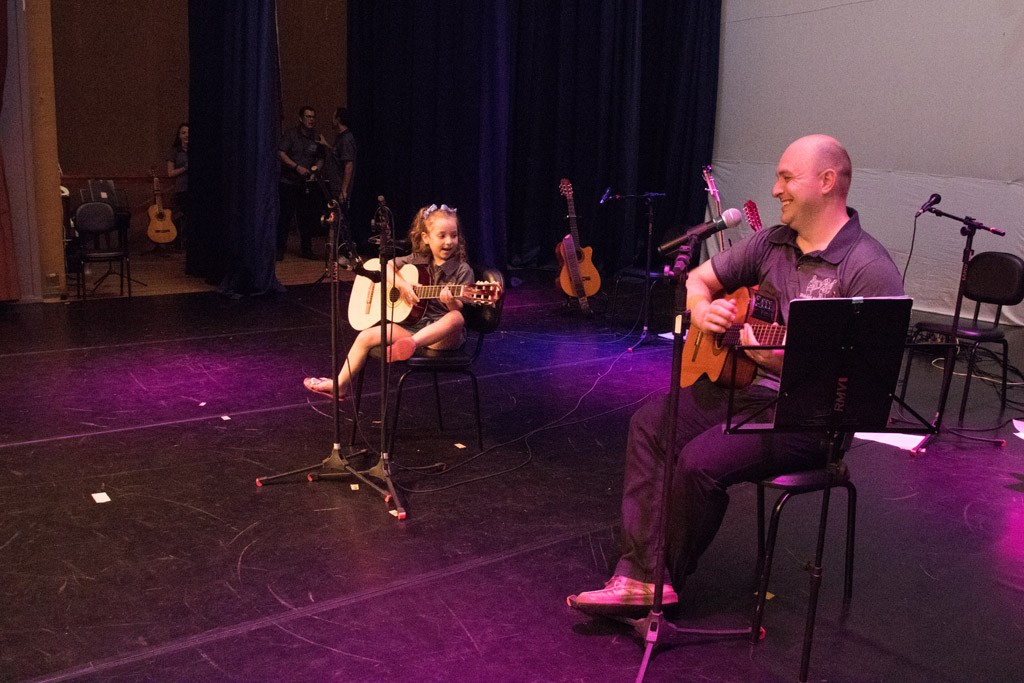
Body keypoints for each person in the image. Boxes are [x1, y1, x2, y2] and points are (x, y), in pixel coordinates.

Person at [567, 134, 906, 614]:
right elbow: (699, 278)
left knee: (700, 461)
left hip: (810, 418)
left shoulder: (868, 268)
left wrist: (778, 360)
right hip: (747, 392)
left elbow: (868, 380)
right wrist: (703, 311)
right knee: (650, 424)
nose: (775, 189)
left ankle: (654, 585)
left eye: (786, 178)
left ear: (827, 181)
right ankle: (640, 577)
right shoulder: (771, 243)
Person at [303, 204, 473, 398]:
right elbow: (386, 266)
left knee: (456, 317)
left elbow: (459, 307)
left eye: (454, 235)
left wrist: (450, 302)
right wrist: (403, 285)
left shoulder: (462, 270)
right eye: (442, 236)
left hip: (441, 338)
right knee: (366, 336)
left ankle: (410, 345)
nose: (449, 241)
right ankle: (340, 385)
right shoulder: (417, 259)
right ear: (426, 238)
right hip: (414, 325)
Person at [277, 105, 327, 261]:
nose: (311, 120)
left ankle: (307, 249)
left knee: (306, 217)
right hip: (289, 182)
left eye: (313, 117)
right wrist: (296, 167)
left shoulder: (316, 137)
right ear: (301, 118)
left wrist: (315, 171)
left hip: (306, 184)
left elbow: (321, 158)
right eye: (308, 116)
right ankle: (279, 249)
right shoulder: (291, 135)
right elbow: (281, 153)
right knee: (285, 217)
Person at [325, 107, 356, 208]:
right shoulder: (340, 137)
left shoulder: (346, 139)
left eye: (333, 117)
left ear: (338, 119)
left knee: (340, 215)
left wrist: (344, 190)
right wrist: (326, 145)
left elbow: (349, 165)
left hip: (340, 189)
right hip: (335, 187)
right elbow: (338, 155)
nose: (331, 120)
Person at [165, 122, 189, 250]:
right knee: (183, 216)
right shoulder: (175, 152)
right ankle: (181, 244)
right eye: (183, 133)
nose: (186, 135)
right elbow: (170, 173)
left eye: (189, 132)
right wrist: (185, 168)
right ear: (179, 136)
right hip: (182, 190)